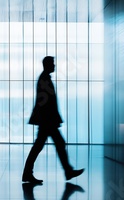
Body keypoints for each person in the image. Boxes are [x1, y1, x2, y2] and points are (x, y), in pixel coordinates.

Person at [22, 56, 84, 184]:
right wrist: (52, 119)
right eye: (53, 63)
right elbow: (46, 103)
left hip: (47, 121)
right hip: (47, 121)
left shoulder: (44, 78)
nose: (55, 66)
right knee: (52, 144)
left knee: (43, 146)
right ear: (47, 65)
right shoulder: (44, 79)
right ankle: (67, 171)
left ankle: (29, 173)